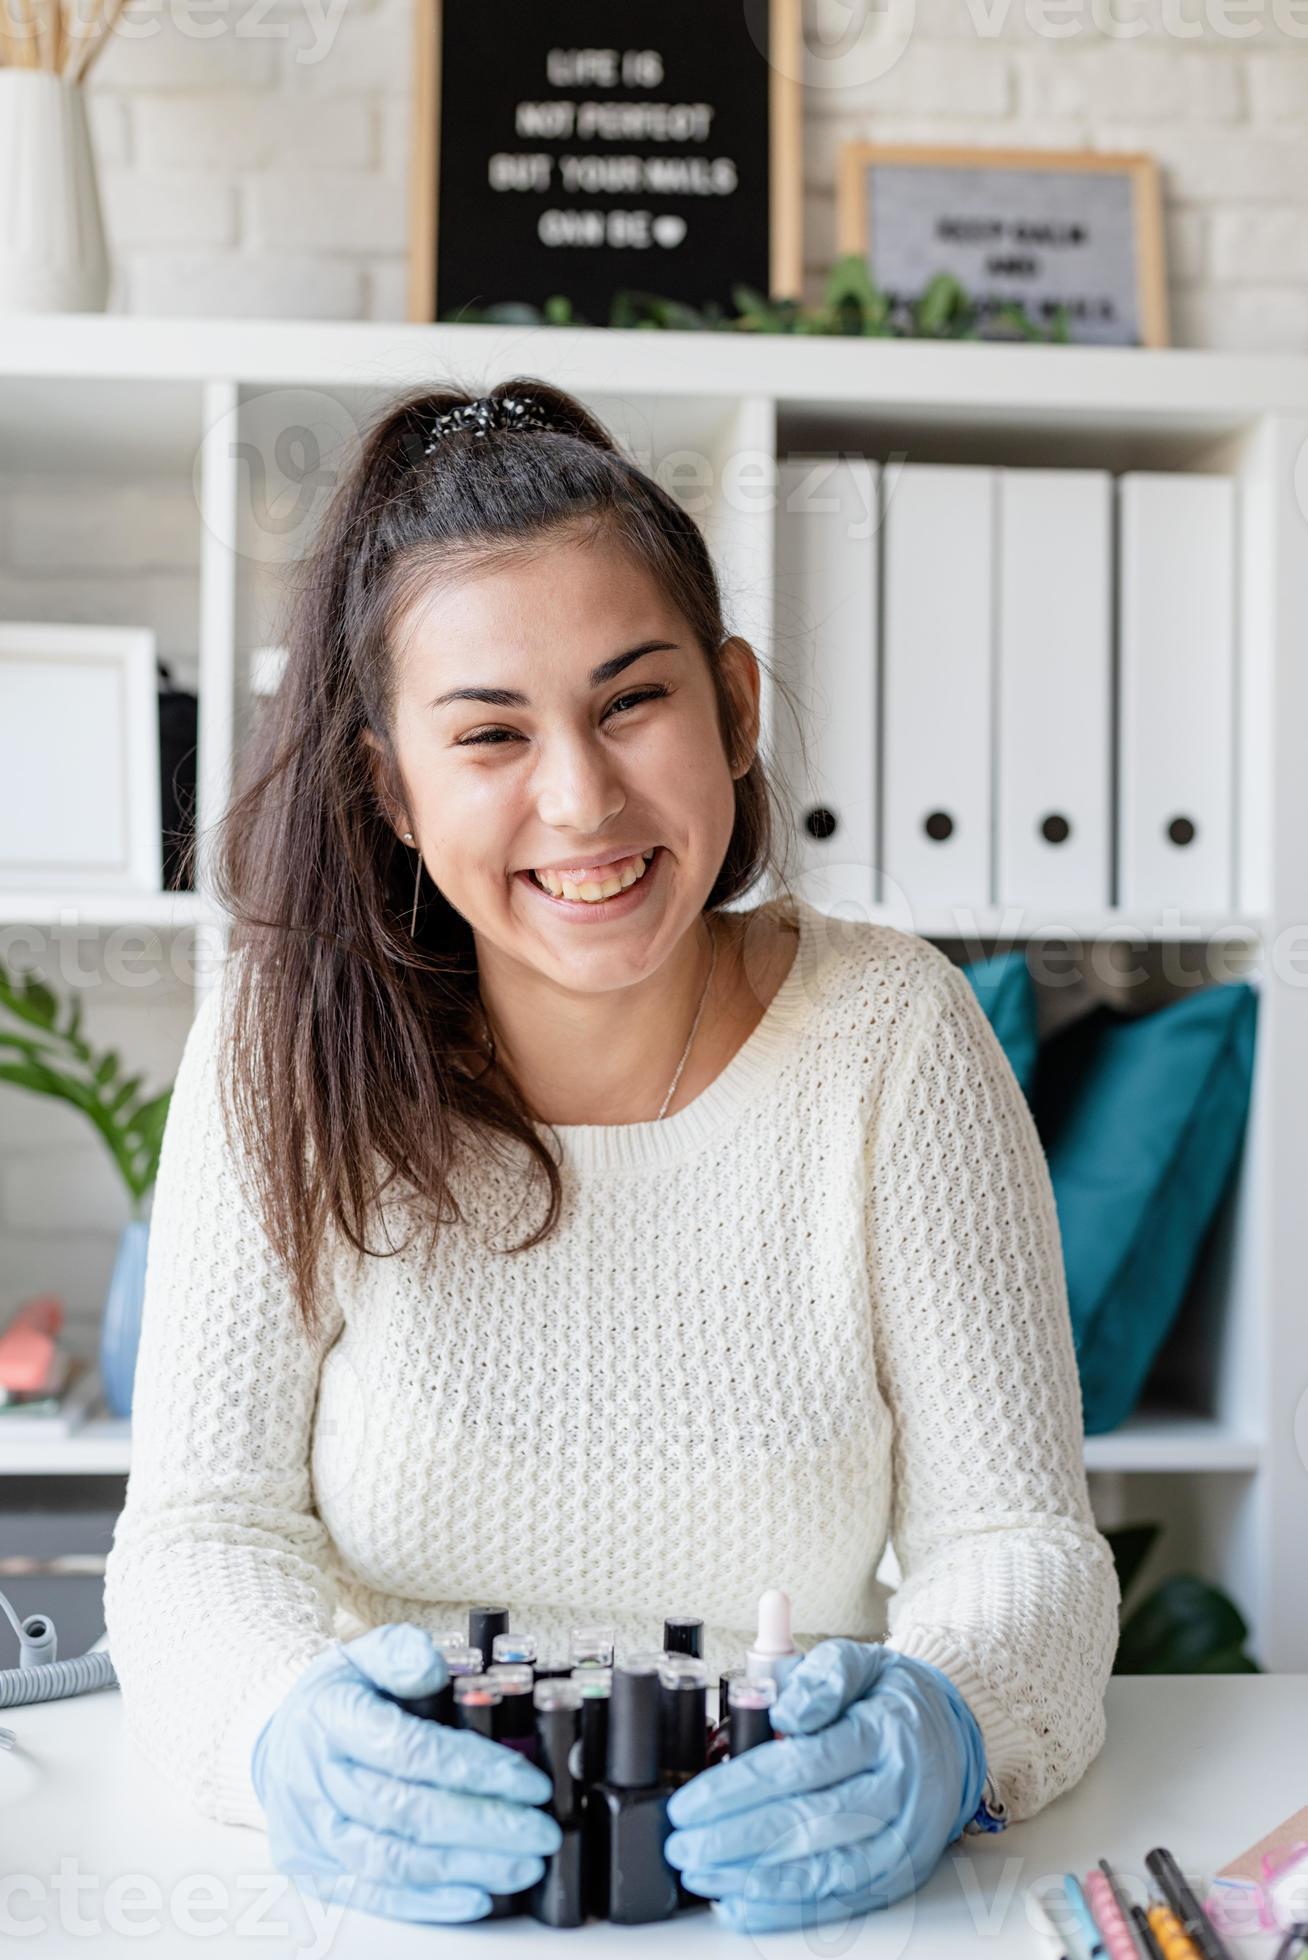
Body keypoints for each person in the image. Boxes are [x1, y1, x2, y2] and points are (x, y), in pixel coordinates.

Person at [103, 378, 1120, 1935]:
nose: (579, 799)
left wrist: (958, 1730)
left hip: (799, 1915)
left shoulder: (895, 1034)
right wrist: (274, 1730)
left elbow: (1017, 1542)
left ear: (733, 701)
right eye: (491, 734)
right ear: (392, 785)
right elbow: (197, 1539)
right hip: (393, 1919)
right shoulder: (275, 1053)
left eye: (631, 701)